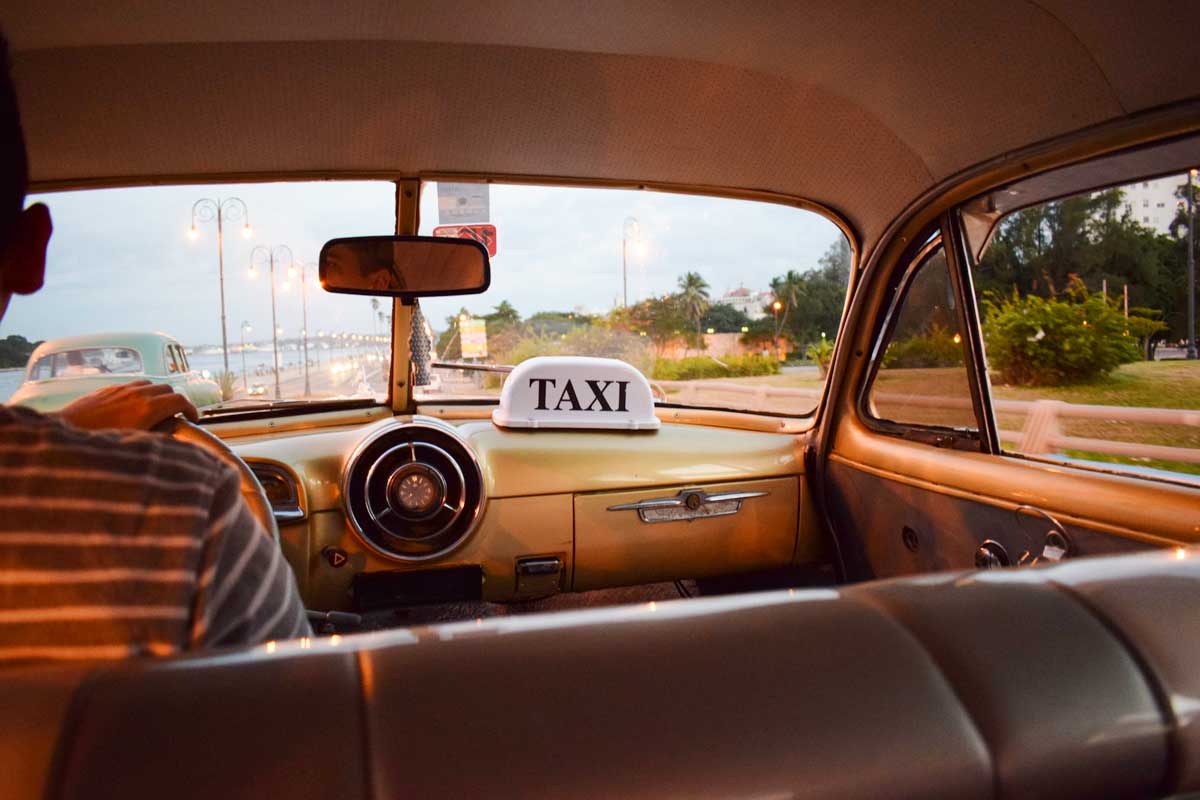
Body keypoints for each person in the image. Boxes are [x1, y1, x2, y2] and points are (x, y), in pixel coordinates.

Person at [0, 34, 310, 662]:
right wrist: (66, 440)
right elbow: (303, 710)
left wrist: (61, 427)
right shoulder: (185, 511)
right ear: (31, 251)